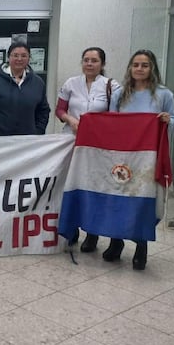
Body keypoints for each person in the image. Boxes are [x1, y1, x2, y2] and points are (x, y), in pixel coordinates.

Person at [103, 49, 174, 270]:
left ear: (152, 68)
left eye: (144, 65)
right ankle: (116, 242)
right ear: (130, 68)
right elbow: (111, 123)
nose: (139, 69)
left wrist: (167, 120)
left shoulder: (164, 95)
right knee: (118, 196)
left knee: (143, 200)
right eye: (135, 64)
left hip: (147, 158)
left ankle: (141, 245)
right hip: (122, 155)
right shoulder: (120, 94)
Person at [55, 47, 120, 251]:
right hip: (72, 140)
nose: (89, 64)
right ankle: (71, 229)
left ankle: (92, 233)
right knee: (72, 184)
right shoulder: (71, 83)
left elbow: (117, 117)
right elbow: (60, 109)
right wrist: (70, 119)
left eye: (94, 60)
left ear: (102, 64)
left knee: (93, 186)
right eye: (86, 60)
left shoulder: (112, 86)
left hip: (97, 146)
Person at [0, 41, 50, 135]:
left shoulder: (37, 83)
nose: (19, 59)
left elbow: (43, 110)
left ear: (29, 58)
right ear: (8, 57)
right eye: (15, 55)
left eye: (24, 56)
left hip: (26, 142)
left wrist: (38, 132)